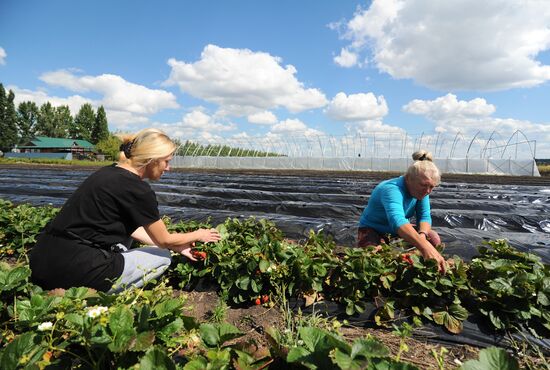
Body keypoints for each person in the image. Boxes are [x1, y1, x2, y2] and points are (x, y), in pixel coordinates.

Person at [30, 128, 221, 293]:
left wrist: (177, 245)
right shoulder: (137, 189)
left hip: (42, 261)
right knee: (163, 257)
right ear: (152, 160)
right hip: (75, 268)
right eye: (166, 162)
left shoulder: (107, 173)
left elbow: (134, 230)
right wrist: (198, 234)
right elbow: (164, 240)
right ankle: (99, 295)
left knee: (127, 241)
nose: (168, 168)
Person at [357, 150, 446, 273]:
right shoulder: (391, 189)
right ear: (408, 178)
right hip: (374, 228)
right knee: (370, 258)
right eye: (424, 185)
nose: (428, 191)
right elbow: (397, 220)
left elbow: (424, 216)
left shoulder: (422, 191)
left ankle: (410, 261)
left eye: (432, 187)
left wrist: (422, 236)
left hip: (396, 231)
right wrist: (424, 247)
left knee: (433, 238)